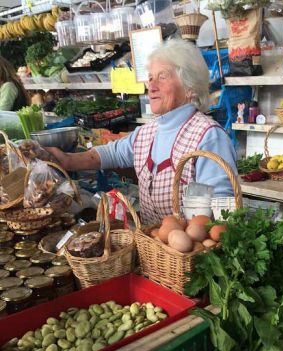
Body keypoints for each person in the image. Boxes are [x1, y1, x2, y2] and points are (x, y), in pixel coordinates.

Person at [47, 39, 237, 225]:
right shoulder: (147, 132)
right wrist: (66, 160)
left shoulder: (208, 135)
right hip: (152, 251)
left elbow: (223, 210)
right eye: (151, 77)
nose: (152, 86)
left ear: (189, 86)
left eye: (162, 77)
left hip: (191, 255)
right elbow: (112, 153)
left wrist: (187, 237)